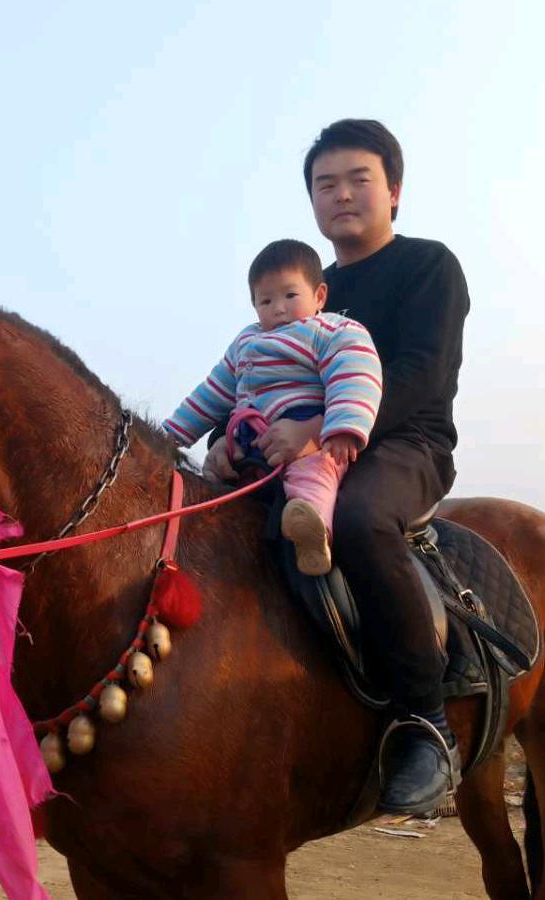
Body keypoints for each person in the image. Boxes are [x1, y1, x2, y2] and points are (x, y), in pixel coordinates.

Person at [201, 119, 470, 815]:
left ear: (394, 191)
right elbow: (249, 385)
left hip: (404, 446)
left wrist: (321, 428)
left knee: (354, 521)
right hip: (299, 452)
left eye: (359, 179)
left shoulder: (428, 266)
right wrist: (231, 442)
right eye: (326, 184)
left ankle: (425, 723)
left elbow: (420, 374)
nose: (342, 194)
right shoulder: (303, 287)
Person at [162, 239, 382, 576]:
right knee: (210, 480)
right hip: (249, 439)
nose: (278, 308)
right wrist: (168, 436)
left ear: (319, 296)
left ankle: (312, 530)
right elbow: (211, 394)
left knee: (313, 475)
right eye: (266, 300)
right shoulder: (244, 343)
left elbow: (355, 373)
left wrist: (340, 427)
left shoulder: (331, 332)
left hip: (304, 437)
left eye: (290, 296)